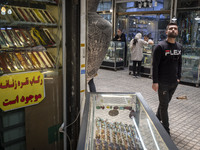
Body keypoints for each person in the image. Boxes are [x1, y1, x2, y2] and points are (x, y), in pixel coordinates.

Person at [152, 22, 182, 135]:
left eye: (175, 28)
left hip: (174, 82)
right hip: (162, 82)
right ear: (166, 32)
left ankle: (155, 119)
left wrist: (179, 77)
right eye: (171, 28)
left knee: (164, 103)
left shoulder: (179, 47)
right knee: (164, 106)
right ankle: (166, 130)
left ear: (177, 32)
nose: (173, 30)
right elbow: (155, 66)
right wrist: (155, 82)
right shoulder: (160, 47)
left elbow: (179, 63)